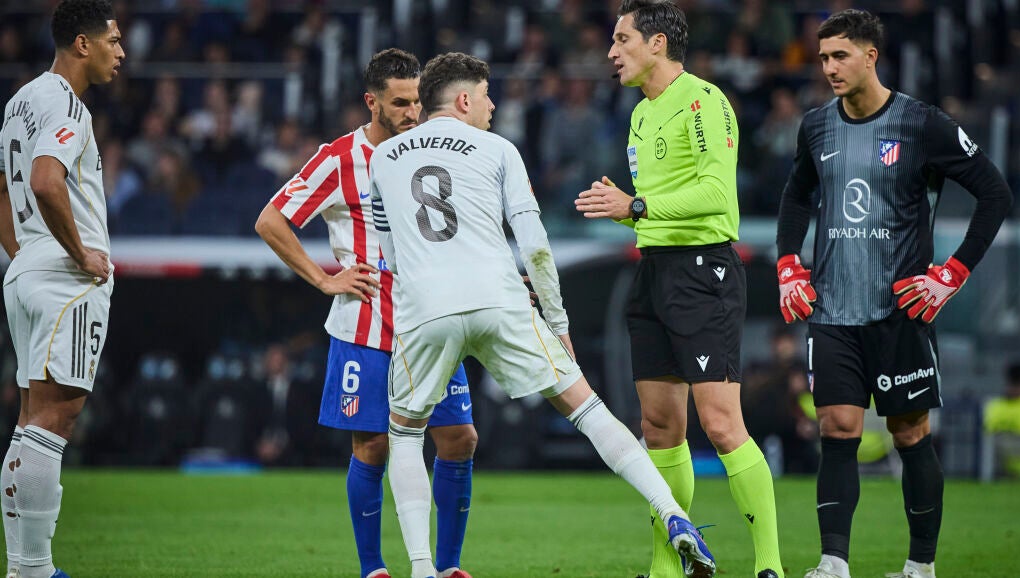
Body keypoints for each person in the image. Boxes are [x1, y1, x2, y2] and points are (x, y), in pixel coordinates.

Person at [369, 51, 714, 578]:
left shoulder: (383, 158)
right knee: (588, 409)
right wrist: (559, 324)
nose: (492, 107)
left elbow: (391, 254)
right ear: (463, 100)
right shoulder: (499, 149)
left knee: (406, 434)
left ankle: (420, 567)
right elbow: (534, 248)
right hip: (499, 297)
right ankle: (673, 514)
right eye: (486, 97)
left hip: (425, 307)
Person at [775, 10, 1013, 578]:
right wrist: (788, 264)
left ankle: (920, 566)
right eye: (823, 57)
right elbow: (796, 196)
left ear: (870, 56)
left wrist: (951, 273)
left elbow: (995, 193)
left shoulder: (921, 124)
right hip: (832, 309)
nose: (829, 67)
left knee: (910, 434)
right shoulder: (816, 126)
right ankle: (833, 562)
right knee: (837, 429)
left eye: (840, 55)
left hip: (899, 311)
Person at [575, 2, 783, 577]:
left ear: (657, 43)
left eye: (622, 40)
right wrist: (625, 211)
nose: (611, 52)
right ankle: (668, 568)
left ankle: (770, 565)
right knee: (660, 428)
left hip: (703, 271)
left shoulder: (704, 101)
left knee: (720, 424)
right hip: (653, 271)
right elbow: (657, 212)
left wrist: (637, 205)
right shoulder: (641, 115)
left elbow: (717, 193)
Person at [255, 49, 478, 578]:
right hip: (366, 327)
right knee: (374, 446)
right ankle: (373, 569)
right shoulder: (339, 159)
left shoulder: (432, 148)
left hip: (431, 323)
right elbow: (271, 220)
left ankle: (448, 567)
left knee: (459, 438)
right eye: (399, 103)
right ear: (371, 102)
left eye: (417, 101)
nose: (412, 112)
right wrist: (323, 279)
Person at [0, 1, 123, 577]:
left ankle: (26, 567)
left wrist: (24, 257)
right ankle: (35, 570)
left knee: (30, 422)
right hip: (64, 280)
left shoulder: (20, 101)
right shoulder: (68, 104)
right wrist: (79, 254)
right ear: (82, 44)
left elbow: (4, 191)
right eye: (113, 41)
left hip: (27, 270)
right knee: (55, 421)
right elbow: (47, 181)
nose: (121, 53)